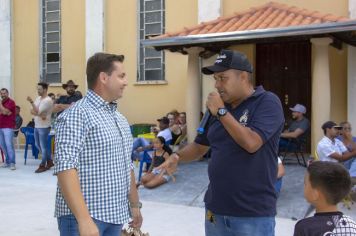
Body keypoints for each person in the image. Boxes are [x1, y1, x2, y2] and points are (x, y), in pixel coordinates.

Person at [160, 49, 284, 236]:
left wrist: (221, 112)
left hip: (252, 214)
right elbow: (199, 147)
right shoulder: (217, 109)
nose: (217, 85)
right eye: (215, 79)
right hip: (215, 210)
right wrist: (176, 156)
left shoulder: (267, 102)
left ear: (243, 76)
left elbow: (252, 143)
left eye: (222, 78)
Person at [54, 52, 142, 236]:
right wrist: (84, 220)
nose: (126, 82)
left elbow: (127, 165)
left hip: (115, 216)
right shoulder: (76, 115)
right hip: (84, 218)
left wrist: (134, 205)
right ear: (104, 77)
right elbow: (65, 168)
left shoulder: (120, 119)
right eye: (121, 76)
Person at [293, 161, 356, 235]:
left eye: (305, 184)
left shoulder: (305, 227)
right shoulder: (351, 224)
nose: (304, 187)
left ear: (315, 194)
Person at [27, 82, 54, 173]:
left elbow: (37, 111)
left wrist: (31, 103)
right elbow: (32, 111)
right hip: (37, 125)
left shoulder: (48, 100)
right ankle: (49, 161)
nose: (38, 91)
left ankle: (43, 165)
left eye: (39, 89)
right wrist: (38, 113)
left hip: (44, 126)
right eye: (37, 89)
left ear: (45, 89)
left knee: (43, 146)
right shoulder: (38, 98)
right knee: (37, 145)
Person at [0, 88, 16, 170]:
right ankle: (7, 161)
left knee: (9, 145)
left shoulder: (11, 102)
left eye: (4, 93)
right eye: (1, 93)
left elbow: (6, 112)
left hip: (8, 127)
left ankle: (12, 162)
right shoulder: (2, 103)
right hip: (0, 126)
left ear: (7, 93)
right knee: (2, 145)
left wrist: (0, 105)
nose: (3, 95)